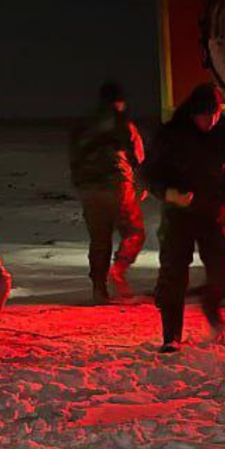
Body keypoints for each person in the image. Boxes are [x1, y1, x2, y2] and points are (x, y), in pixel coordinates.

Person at [140, 84, 225, 353]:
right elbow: (147, 172)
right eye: (204, 116)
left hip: (213, 212)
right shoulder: (172, 134)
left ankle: (211, 307)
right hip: (178, 214)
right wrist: (167, 193)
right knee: (174, 274)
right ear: (192, 114)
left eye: (214, 114)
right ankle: (171, 336)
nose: (210, 121)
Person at [68, 81, 145, 303]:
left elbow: (75, 157)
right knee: (134, 232)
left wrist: (81, 183)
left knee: (99, 241)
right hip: (118, 185)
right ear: (119, 102)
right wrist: (141, 185)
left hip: (90, 189)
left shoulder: (83, 126)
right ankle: (119, 269)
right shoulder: (123, 125)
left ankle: (99, 289)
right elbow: (138, 158)